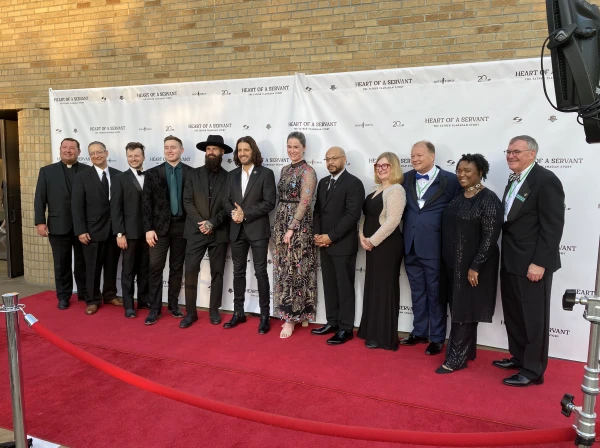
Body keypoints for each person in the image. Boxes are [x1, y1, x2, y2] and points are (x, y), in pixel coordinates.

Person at [494, 135, 565, 387]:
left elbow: (552, 228)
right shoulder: (513, 179)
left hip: (533, 264)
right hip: (511, 260)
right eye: (508, 151)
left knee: (533, 318)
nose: (510, 156)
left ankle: (533, 370)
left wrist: (540, 263)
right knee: (514, 313)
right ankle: (519, 357)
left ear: (532, 154)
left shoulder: (545, 181)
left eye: (516, 151)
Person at [436, 154, 503, 374]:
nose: (461, 175)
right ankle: (467, 351)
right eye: (459, 170)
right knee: (458, 307)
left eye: (467, 171)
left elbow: (491, 236)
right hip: (452, 264)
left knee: (464, 310)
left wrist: (476, 265)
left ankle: (456, 359)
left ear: (480, 173)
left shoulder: (489, 199)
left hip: (471, 267)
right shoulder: (458, 195)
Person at [400, 140, 461, 355]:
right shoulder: (405, 178)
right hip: (410, 246)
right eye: (412, 155)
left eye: (419, 155)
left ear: (432, 156)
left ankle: (436, 338)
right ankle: (419, 332)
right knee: (417, 292)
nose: (414, 159)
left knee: (436, 294)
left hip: (435, 248)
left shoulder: (451, 181)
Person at [222, 136, 276, 334]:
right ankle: (238, 313)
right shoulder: (231, 175)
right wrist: (233, 213)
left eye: (246, 149)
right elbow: (226, 201)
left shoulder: (266, 174)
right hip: (236, 231)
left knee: (261, 272)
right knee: (238, 272)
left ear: (253, 151)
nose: (242, 153)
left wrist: (245, 214)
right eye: (239, 150)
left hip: (257, 230)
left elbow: (269, 202)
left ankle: (264, 316)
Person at [312, 146, 365, 345]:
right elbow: (317, 210)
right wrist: (317, 234)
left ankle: (346, 328)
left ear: (344, 159)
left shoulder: (354, 183)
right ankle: (332, 322)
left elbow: (352, 216)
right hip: (324, 244)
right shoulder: (324, 182)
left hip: (342, 245)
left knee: (344, 287)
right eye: (327, 159)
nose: (330, 162)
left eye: (334, 158)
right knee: (330, 286)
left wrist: (330, 237)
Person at [180, 135, 232, 329]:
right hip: (195, 231)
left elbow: (227, 206)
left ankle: (214, 311)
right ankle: (191, 313)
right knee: (191, 271)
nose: (211, 152)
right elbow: (187, 201)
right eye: (209, 149)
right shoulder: (193, 174)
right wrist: (201, 223)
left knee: (218, 272)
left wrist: (212, 223)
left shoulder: (229, 177)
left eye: (215, 149)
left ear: (222, 153)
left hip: (218, 232)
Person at [34, 138, 91, 309]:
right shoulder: (46, 171)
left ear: (79, 152)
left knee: (84, 263)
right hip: (58, 226)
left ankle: (85, 293)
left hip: (84, 227)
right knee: (61, 263)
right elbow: (39, 199)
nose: (68, 151)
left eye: (72, 148)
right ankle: (63, 296)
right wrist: (40, 222)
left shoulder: (88, 171)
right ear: (59, 150)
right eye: (65, 147)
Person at [357, 152, 406, 350]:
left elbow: (393, 221)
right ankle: (371, 330)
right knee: (373, 287)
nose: (381, 168)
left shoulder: (397, 190)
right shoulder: (374, 189)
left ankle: (383, 336)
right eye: (378, 165)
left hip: (387, 246)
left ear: (393, 167)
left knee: (384, 289)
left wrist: (373, 241)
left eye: (386, 165)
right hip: (370, 245)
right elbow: (364, 217)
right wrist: (362, 237)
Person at [142, 135, 192, 325]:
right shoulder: (152, 173)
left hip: (182, 227)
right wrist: (148, 229)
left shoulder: (190, 173)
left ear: (182, 150)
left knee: (177, 268)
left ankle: (173, 304)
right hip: (158, 230)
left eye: (173, 147)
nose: (170, 150)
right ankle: (154, 308)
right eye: (166, 147)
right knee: (155, 268)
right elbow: (146, 204)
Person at [273, 132, 317, 338]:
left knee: (296, 269)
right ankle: (298, 313)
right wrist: (281, 227)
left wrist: (292, 227)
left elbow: (305, 201)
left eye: (296, 147)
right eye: (289, 146)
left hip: (298, 228)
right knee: (283, 268)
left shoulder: (308, 171)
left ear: (304, 148)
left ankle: (292, 318)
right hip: (281, 222)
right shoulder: (284, 169)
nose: (292, 150)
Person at [72, 141, 123, 315]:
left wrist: (121, 229)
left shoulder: (118, 175)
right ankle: (92, 299)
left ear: (106, 153)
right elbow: (76, 206)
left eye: (99, 152)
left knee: (111, 265)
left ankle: (109, 294)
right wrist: (80, 230)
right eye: (92, 154)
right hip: (91, 232)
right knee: (92, 268)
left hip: (114, 231)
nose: (96, 156)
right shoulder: (82, 177)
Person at [110, 142, 151, 319]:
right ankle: (128, 305)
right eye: (130, 156)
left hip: (148, 233)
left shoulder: (150, 176)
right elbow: (115, 208)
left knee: (145, 269)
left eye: (137, 155)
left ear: (143, 156)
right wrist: (120, 233)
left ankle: (143, 300)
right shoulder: (120, 178)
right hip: (129, 233)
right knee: (128, 270)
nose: (133, 159)